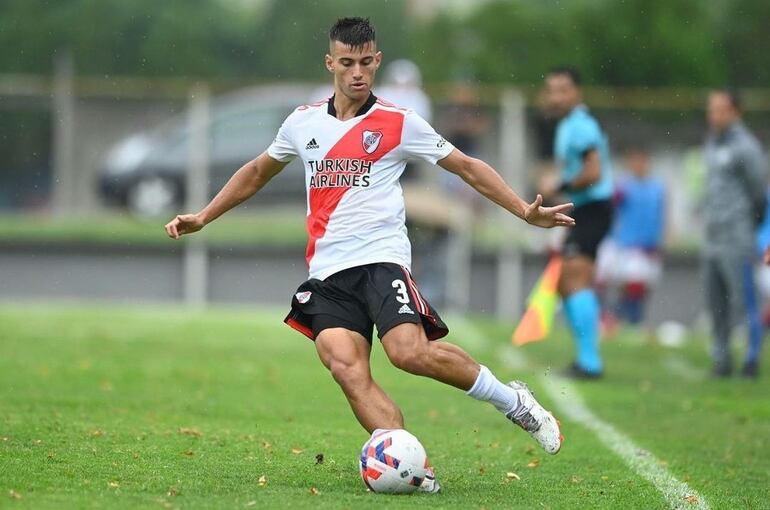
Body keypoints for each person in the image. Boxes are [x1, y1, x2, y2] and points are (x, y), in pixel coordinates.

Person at [164, 17, 573, 491]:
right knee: (344, 364)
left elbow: (467, 167)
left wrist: (524, 210)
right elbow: (257, 171)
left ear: (376, 61)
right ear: (330, 63)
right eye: (346, 63)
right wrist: (204, 216)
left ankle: (511, 400)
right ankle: (413, 470)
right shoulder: (303, 123)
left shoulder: (398, 122)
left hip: (381, 260)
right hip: (327, 272)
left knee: (407, 352)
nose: (357, 73)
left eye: (365, 63)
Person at [539, 67, 613, 379]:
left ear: (577, 92)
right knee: (565, 281)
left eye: (563, 90)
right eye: (552, 90)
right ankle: (585, 358)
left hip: (593, 208)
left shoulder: (581, 126)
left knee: (576, 279)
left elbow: (593, 172)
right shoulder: (568, 124)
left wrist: (561, 187)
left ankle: (590, 362)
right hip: (585, 210)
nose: (557, 96)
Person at [703, 89, 767, 378]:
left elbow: (758, 193)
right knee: (715, 300)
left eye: (720, 109)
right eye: (711, 109)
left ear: (735, 112)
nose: (713, 115)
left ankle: (752, 358)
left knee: (743, 300)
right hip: (712, 236)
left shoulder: (747, 147)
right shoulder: (712, 144)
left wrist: (747, 226)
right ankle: (722, 358)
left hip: (736, 235)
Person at [596, 147, 665, 329]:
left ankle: (628, 319)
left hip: (648, 245)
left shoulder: (657, 188)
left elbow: (660, 214)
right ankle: (619, 318)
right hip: (626, 244)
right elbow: (609, 208)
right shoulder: (624, 186)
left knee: (641, 287)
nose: (638, 165)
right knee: (627, 282)